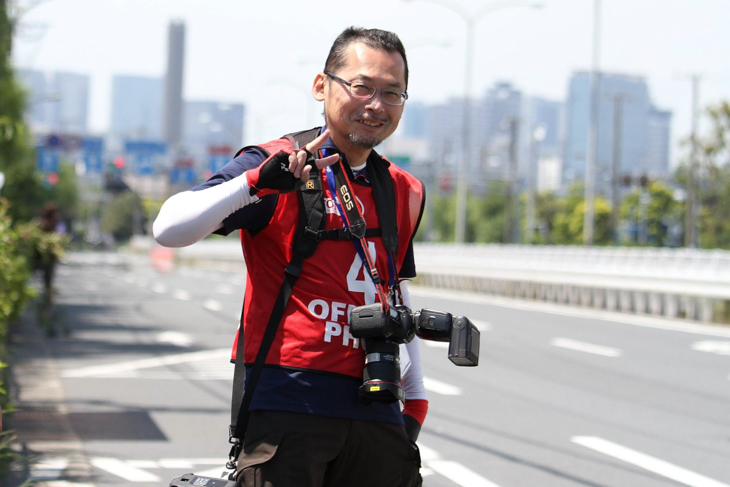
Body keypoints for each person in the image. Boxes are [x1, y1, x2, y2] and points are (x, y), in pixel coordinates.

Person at [154, 27, 427, 487]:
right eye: (361, 87)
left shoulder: (404, 189)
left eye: (392, 93)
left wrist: (415, 399)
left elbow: (392, 288)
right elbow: (169, 227)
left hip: (377, 406)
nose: (376, 105)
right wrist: (256, 183)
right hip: (289, 400)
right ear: (322, 86)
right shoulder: (278, 162)